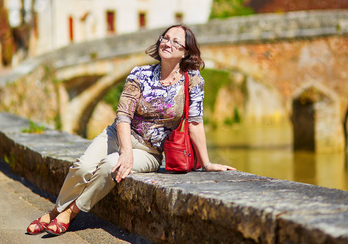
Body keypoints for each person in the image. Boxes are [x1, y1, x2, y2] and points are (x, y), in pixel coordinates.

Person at [26, 24, 235, 236]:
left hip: (150, 151)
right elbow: (123, 115)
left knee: (111, 166)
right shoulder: (140, 74)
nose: (167, 43)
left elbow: (195, 122)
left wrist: (206, 163)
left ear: (185, 52)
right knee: (82, 166)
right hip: (118, 136)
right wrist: (125, 151)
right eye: (165, 38)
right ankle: (55, 212)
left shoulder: (193, 80)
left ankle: (70, 213)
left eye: (175, 42)